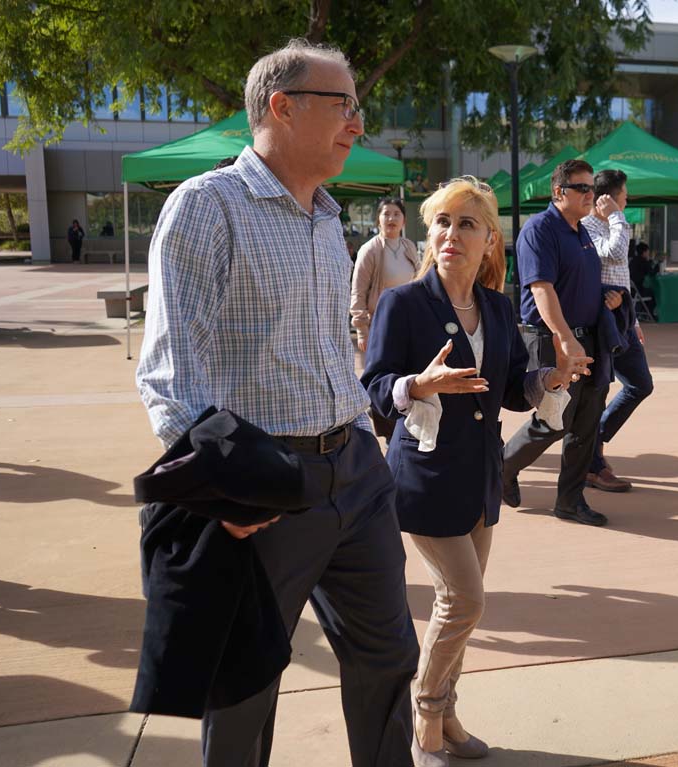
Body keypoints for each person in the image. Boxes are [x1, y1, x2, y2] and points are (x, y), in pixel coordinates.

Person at [134, 39, 419, 767]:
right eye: (343, 103)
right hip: (263, 483)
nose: (358, 121)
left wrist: (365, 443)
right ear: (282, 107)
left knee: (389, 656)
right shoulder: (207, 206)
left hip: (355, 471)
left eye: (358, 105)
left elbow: (326, 349)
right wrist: (219, 485)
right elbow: (169, 373)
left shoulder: (327, 217)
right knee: (245, 687)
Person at [360, 178, 578, 767]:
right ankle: (427, 720)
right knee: (464, 601)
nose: (451, 234)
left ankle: (448, 713)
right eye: (442, 222)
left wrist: (549, 379)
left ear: (488, 241)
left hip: (480, 478)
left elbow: (509, 390)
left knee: (455, 606)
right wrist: (416, 384)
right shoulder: (404, 304)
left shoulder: (499, 309)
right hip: (425, 477)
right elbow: (374, 389)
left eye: (466, 224)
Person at [500, 158, 610, 526]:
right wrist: (565, 338)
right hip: (553, 340)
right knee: (555, 419)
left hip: (587, 340)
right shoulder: (540, 229)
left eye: (592, 188)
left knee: (586, 424)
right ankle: (502, 468)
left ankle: (570, 501)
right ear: (559, 191)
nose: (590, 194)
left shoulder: (581, 231)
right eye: (583, 188)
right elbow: (541, 289)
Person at [582, 169, 655, 493]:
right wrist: (616, 217)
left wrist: (634, 320)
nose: (626, 202)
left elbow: (621, 273)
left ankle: (594, 442)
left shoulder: (613, 224)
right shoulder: (588, 227)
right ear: (608, 199)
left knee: (641, 384)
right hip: (601, 324)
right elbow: (614, 253)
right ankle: (592, 464)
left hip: (621, 319)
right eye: (623, 196)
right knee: (596, 393)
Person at [351, 197, 421, 437]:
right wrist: (362, 329)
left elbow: (420, 279)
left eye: (396, 214)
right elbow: (358, 291)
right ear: (378, 220)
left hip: (410, 323)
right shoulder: (370, 249)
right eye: (386, 214)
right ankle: (389, 432)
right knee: (383, 379)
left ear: (404, 220)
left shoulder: (409, 247)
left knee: (407, 377)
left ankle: (406, 428)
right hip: (380, 325)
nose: (391, 218)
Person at [629, 242, 659, 316]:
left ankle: (644, 313)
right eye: (647, 251)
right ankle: (650, 314)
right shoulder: (643, 261)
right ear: (644, 252)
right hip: (639, 290)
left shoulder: (633, 260)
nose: (648, 253)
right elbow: (651, 273)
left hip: (631, 289)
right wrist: (658, 266)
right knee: (654, 293)